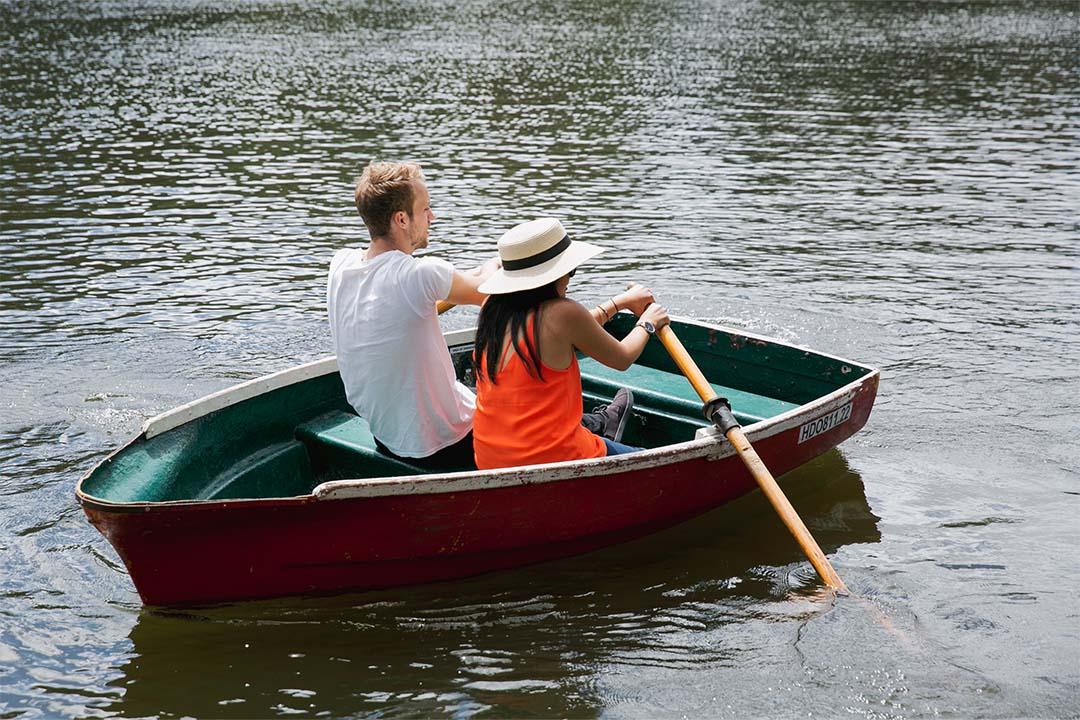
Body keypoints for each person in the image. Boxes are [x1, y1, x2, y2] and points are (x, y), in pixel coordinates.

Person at [327, 161, 498, 471]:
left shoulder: (341, 266)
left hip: (387, 436)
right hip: (448, 443)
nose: (432, 217)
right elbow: (489, 292)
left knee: (467, 389)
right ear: (401, 219)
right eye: (425, 209)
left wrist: (467, 280)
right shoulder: (420, 275)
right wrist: (497, 263)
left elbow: (404, 307)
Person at [471, 217, 671, 470]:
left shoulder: (492, 309)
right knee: (650, 461)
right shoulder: (563, 314)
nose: (569, 279)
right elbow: (622, 357)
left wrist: (620, 302)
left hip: (490, 458)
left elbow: (577, 329)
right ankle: (601, 431)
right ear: (553, 275)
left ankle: (603, 425)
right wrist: (648, 322)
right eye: (570, 271)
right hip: (554, 458)